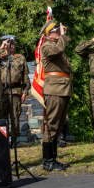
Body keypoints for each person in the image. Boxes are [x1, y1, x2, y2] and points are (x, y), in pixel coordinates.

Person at [39, 20, 72, 170]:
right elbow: (58, 50)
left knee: (58, 125)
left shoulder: (55, 46)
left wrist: (62, 37)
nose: (60, 33)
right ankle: (48, 161)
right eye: (57, 31)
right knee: (51, 124)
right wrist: (63, 36)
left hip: (62, 89)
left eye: (59, 31)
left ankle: (53, 158)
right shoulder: (46, 46)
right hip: (54, 90)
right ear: (49, 35)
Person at [0, 36, 28, 148]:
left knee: (15, 116)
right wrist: (1, 47)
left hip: (16, 91)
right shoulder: (0, 57)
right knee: (2, 117)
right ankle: (3, 139)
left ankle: (14, 139)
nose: (11, 46)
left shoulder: (20, 58)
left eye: (13, 43)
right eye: (9, 43)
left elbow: (25, 76)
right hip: (2, 92)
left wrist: (25, 92)